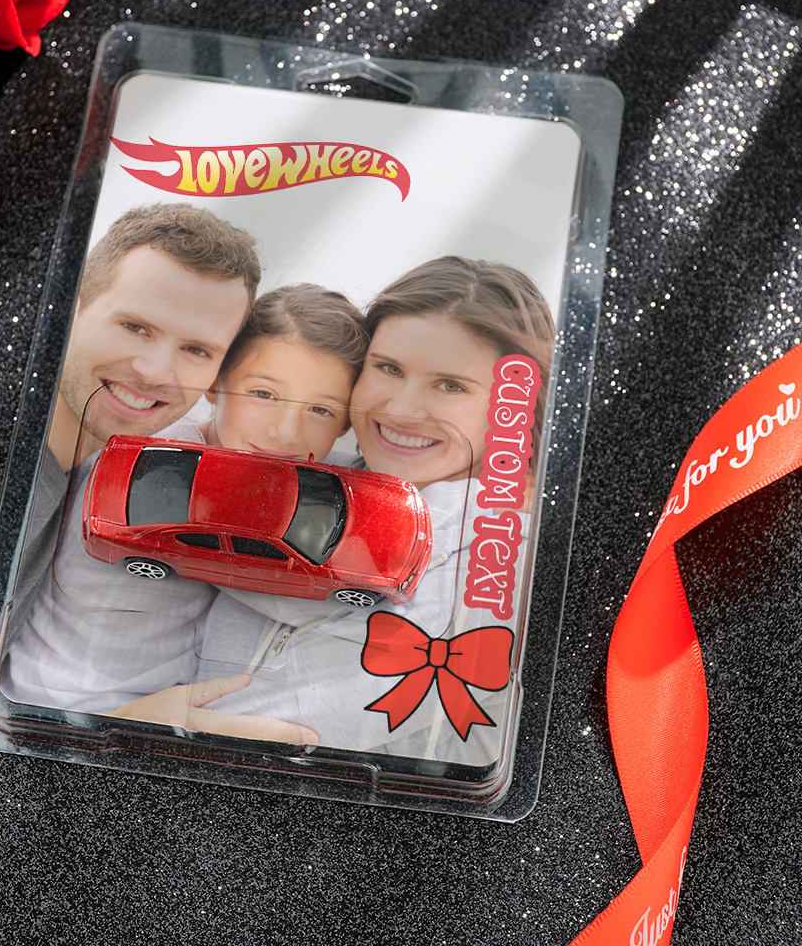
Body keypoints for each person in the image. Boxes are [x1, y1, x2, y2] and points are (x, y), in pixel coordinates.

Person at [181, 257, 554, 764]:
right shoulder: (316, 470)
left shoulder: (496, 562)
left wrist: (132, 720)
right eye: (388, 368)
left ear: (513, 410)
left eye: (451, 385)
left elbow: (287, 731)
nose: (401, 409)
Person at [3, 285, 369, 737]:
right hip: (58, 714)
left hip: (119, 713)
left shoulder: (243, 459)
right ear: (215, 383)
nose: (286, 431)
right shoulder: (167, 467)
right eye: (264, 394)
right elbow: (296, 596)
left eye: (320, 410)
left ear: (347, 422)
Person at [7, 201, 261, 640]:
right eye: (135, 326)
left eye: (196, 350)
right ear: (70, 308)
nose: (155, 372)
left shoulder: (93, 483)